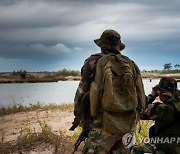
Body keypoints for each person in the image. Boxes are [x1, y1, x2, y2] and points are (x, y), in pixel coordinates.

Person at [70, 29, 146, 153]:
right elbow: (141, 97)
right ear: (119, 46)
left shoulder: (92, 62)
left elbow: (81, 94)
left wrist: (79, 118)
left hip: (102, 125)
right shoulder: (131, 64)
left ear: (101, 45)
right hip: (129, 124)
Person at [132, 77, 180, 154]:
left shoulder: (163, 109)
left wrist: (151, 96)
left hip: (166, 149)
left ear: (161, 93)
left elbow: (139, 111)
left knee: (133, 150)